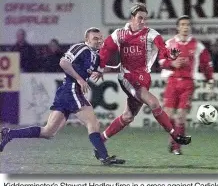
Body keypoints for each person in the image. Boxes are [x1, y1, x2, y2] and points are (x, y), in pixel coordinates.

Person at [0, 27, 125, 165]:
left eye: (100, 38)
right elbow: (63, 62)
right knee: (93, 123)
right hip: (71, 90)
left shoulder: (95, 55)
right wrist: (79, 79)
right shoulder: (81, 48)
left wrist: (108, 70)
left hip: (66, 93)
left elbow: (96, 69)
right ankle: (103, 156)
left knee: (48, 132)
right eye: (95, 38)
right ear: (86, 40)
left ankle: (9, 133)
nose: (99, 40)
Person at [91, 3, 191, 159]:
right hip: (127, 77)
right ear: (132, 18)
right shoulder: (120, 34)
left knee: (128, 117)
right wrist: (100, 68)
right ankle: (175, 135)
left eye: (145, 19)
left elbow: (164, 50)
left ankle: (100, 142)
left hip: (144, 78)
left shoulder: (151, 34)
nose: (143, 21)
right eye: (139, 18)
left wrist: (171, 55)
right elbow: (105, 49)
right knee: (153, 102)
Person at [159, 15, 214, 155]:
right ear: (178, 27)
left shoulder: (197, 45)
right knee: (168, 115)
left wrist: (210, 81)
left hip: (188, 83)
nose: (185, 27)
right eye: (182, 24)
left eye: (187, 25)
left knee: (181, 116)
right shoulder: (169, 43)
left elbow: (206, 64)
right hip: (172, 82)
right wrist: (172, 63)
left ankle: (177, 146)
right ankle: (173, 140)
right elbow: (160, 61)